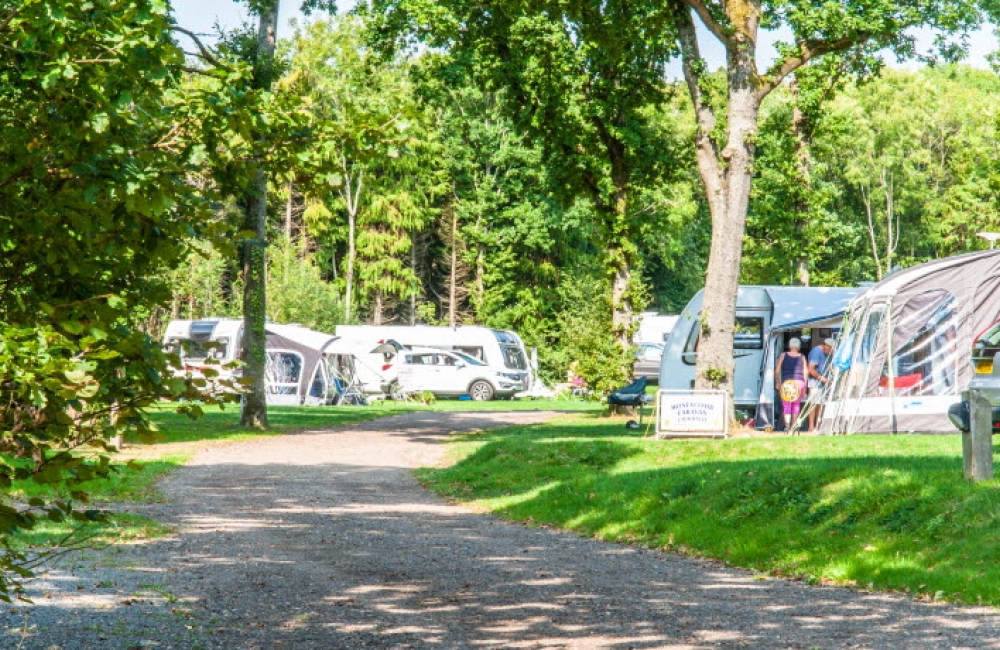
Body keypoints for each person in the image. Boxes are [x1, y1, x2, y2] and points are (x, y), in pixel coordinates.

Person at [775, 337, 808, 433]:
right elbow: (805, 371)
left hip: (787, 383)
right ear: (799, 346)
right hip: (799, 382)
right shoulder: (802, 356)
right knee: (796, 405)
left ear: (789, 345)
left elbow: (777, 370)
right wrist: (804, 386)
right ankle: (793, 427)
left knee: (786, 405)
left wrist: (777, 382)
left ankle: (787, 427)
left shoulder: (783, 355)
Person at [807, 337, 834, 431]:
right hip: (814, 383)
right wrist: (823, 379)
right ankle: (811, 427)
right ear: (826, 346)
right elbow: (810, 369)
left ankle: (818, 426)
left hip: (821, 383)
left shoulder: (825, 354)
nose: (830, 351)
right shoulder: (816, 352)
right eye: (830, 349)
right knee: (813, 405)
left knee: (819, 405)